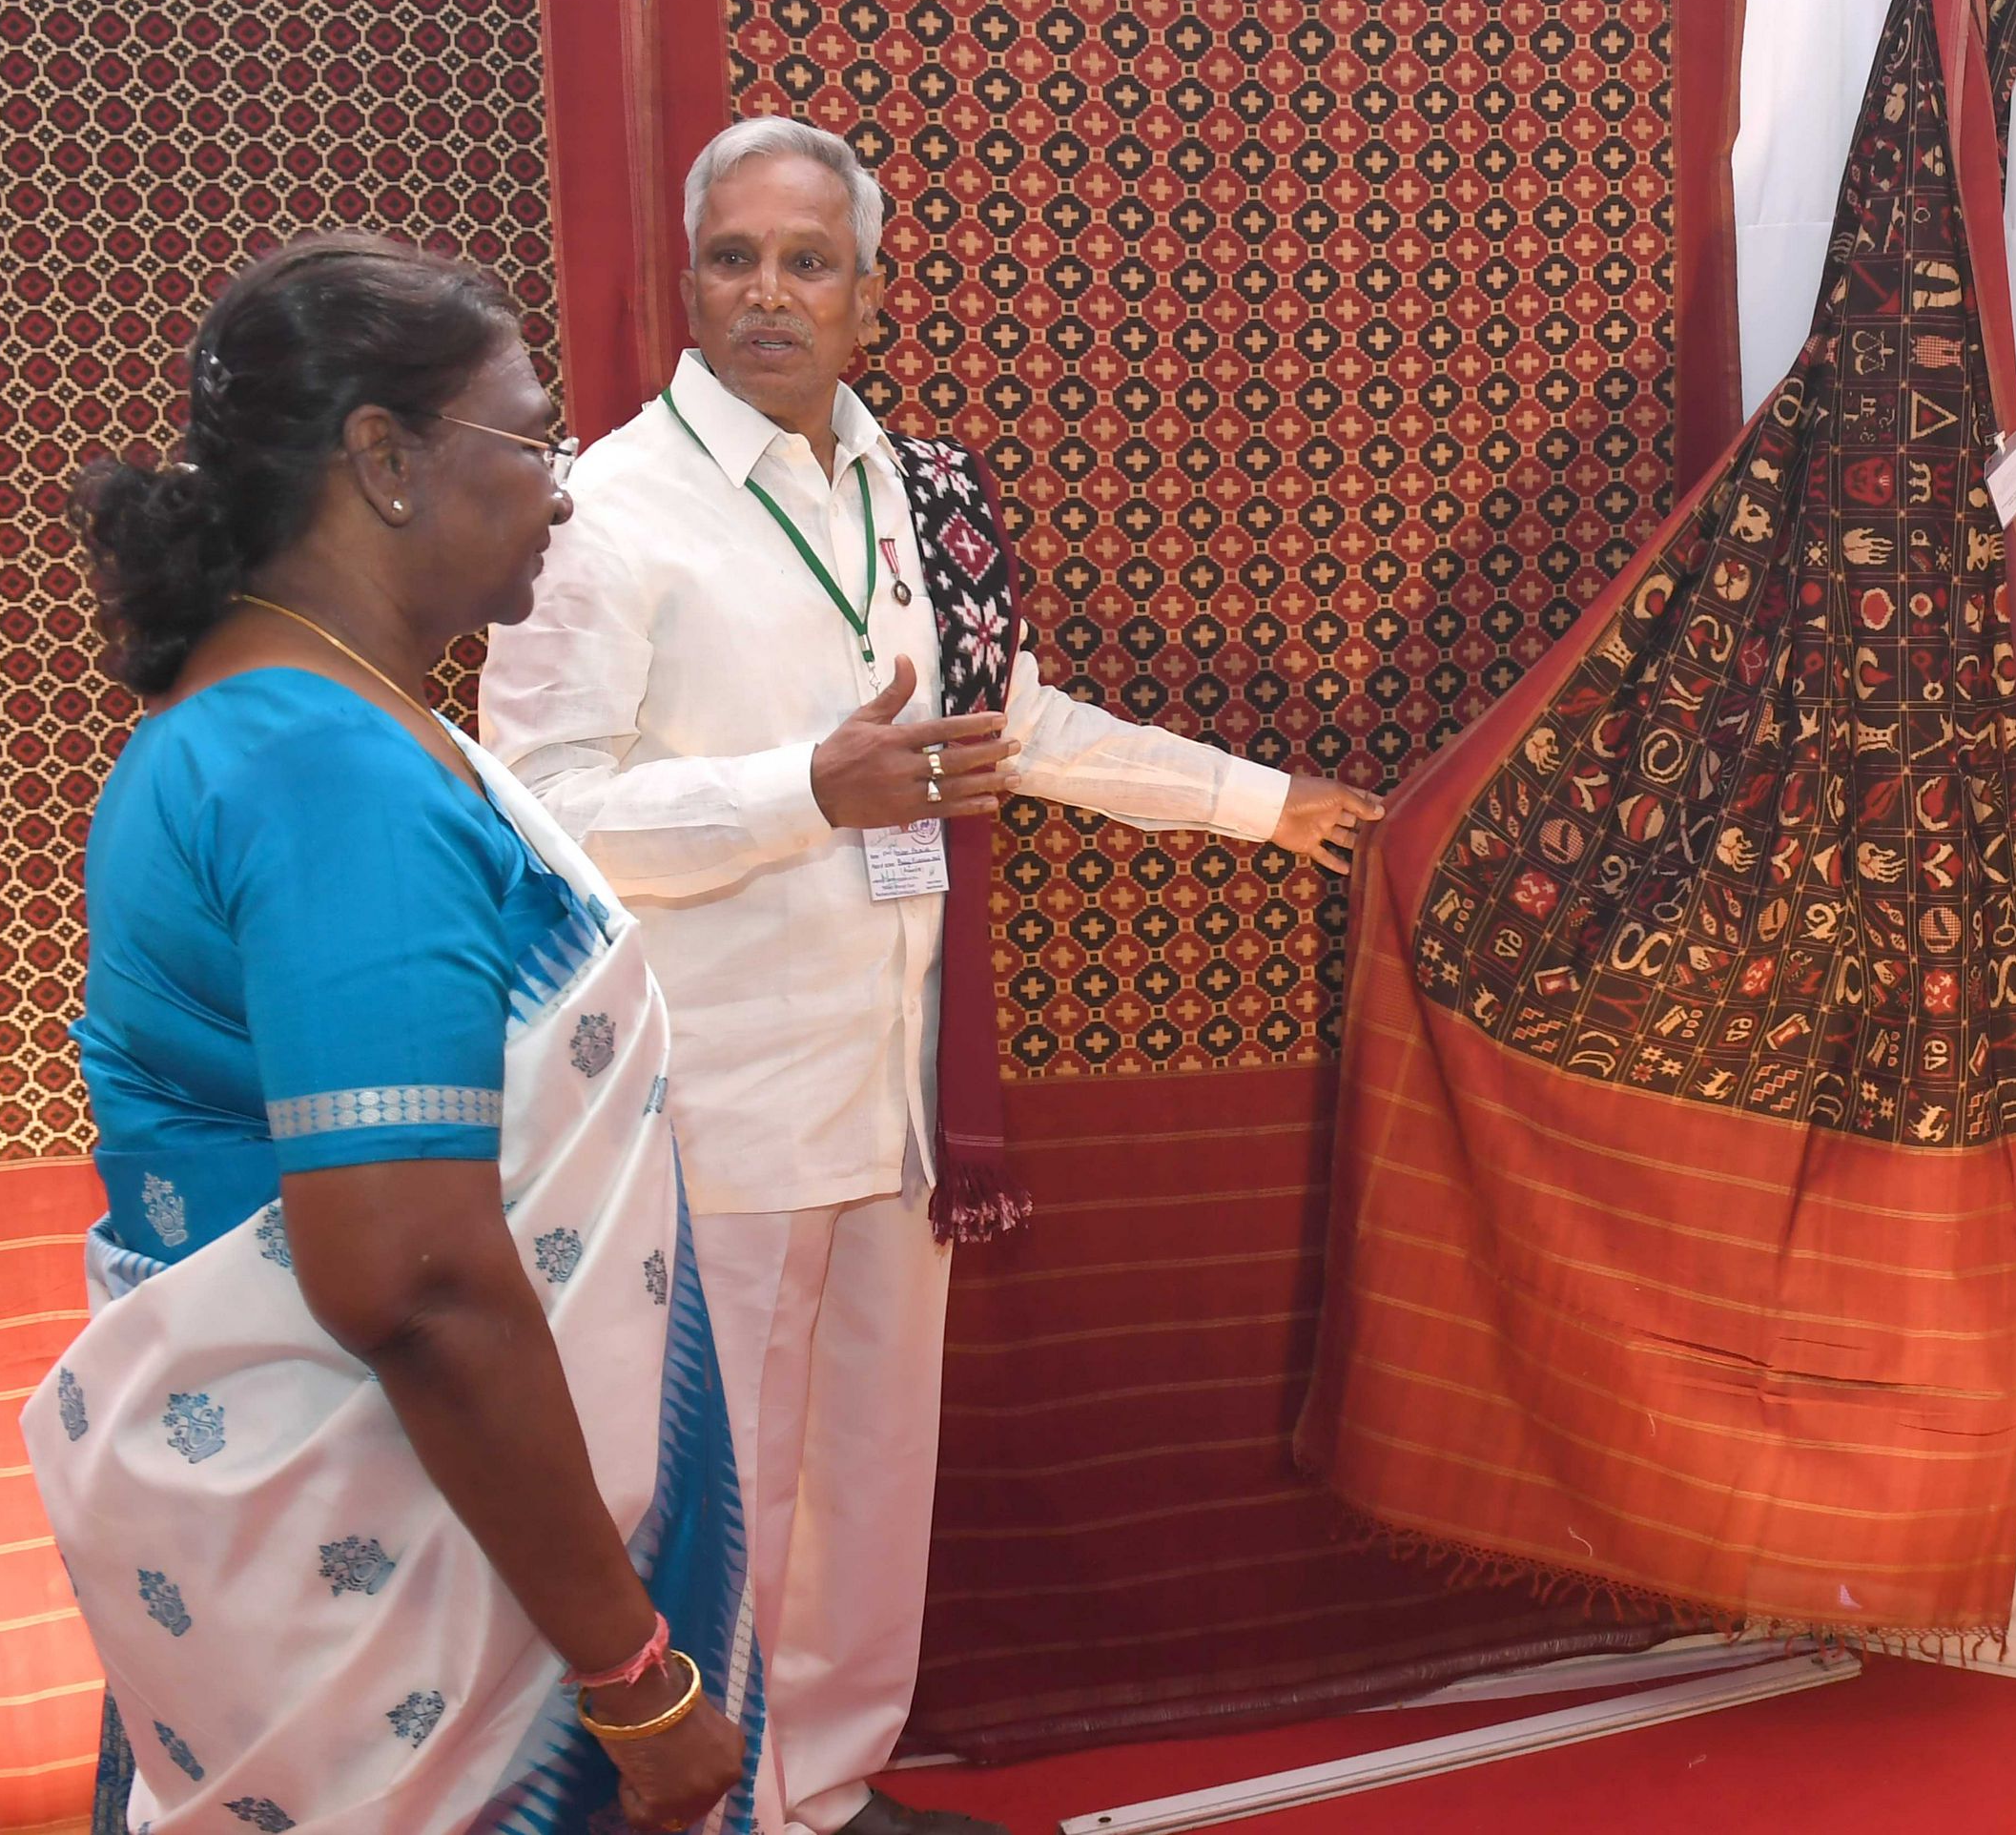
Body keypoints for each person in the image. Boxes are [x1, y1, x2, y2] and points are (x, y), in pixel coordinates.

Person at [477, 117, 1384, 1835]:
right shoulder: (603, 509)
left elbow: (1008, 726)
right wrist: (802, 791)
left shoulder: (914, 491)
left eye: (808, 262)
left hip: (900, 1091)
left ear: (871, 297)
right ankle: (717, 1808)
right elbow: (544, 817)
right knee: (724, 1489)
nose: (769, 293)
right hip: (716, 1111)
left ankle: (825, 1789)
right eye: (735, 258)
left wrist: (1265, 805)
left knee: (869, 1477)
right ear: (690, 283)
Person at [37, 235, 756, 1835]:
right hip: (411, 1558)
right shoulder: (328, 774)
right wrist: (633, 1677)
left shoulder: (282, 717)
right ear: (385, 459)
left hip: (329, 1521)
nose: (562, 496)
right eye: (536, 442)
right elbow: (413, 1282)